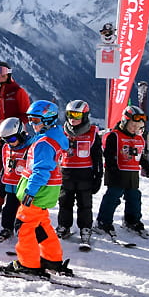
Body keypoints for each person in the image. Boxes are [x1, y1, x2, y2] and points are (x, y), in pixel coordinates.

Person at [0, 100, 71, 277]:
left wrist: (30, 192)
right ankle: (52, 259)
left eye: (36, 121)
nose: (32, 124)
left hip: (39, 192)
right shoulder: (54, 137)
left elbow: (41, 171)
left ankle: (27, 264)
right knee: (41, 225)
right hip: (47, 191)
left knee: (24, 226)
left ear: (49, 120)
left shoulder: (44, 143)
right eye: (30, 120)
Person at [96, 105, 149, 238]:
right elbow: (109, 155)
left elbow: (140, 157)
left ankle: (132, 220)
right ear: (124, 122)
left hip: (132, 174)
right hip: (117, 173)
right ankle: (103, 221)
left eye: (138, 126)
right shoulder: (115, 136)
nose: (135, 129)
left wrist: (147, 168)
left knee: (134, 197)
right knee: (113, 197)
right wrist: (112, 169)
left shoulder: (139, 139)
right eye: (132, 125)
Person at [0, 62, 31, 216]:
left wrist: (15, 125)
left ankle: (17, 204)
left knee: (15, 171)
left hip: (14, 139)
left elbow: (26, 115)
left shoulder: (18, 92)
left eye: (2, 73)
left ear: (8, 74)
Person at [56, 100, 103, 246]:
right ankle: (64, 226)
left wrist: (98, 176)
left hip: (85, 176)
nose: (72, 118)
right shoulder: (62, 132)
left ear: (85, 116)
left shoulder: (92, 133)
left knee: (85, 204)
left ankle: (85, 228)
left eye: (77, 115)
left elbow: (97, 157)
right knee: (64, 203)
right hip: (66, 174)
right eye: (69, 114)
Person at [0, 117, 32, 243]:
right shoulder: (6, 148)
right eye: (5, 140)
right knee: (9, 208)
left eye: (12, 139)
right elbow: (5, 167)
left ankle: (24, 230)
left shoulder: (31, 148)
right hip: (10, 185)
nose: (9, 143)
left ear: (20, 134)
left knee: (25, 211)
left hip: (25, 187)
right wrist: (2, 182)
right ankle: (7, 228)